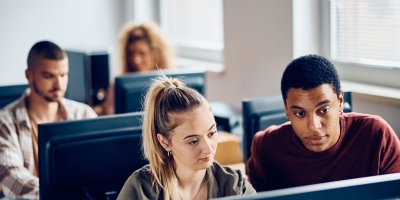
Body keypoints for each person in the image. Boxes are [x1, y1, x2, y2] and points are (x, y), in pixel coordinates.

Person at [246, 54, 400, 192]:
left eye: (323, 110)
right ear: (286, 109)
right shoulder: (265, 147)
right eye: (300, 113)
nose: (313, 126)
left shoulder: (377, 135)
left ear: (340, 101)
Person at [117, 74, 256, 200]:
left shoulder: (235, 185)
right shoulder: (140, 190)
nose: (208, 149)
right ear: (165, 142)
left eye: (212, 133)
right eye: (193, 141)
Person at [0, 41, 97, 199]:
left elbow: (98, 168)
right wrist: (66, 195)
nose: (58, 84)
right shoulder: (5, 123)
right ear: (29, 75)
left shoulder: (84, 114)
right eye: (49, 76)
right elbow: (13, 181)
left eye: (63, 75)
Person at [97, 21, 175, 115]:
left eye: (142, 53)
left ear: (156, 54)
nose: (135, 60)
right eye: (131, 54)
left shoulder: (171, 84)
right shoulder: (117, 87)